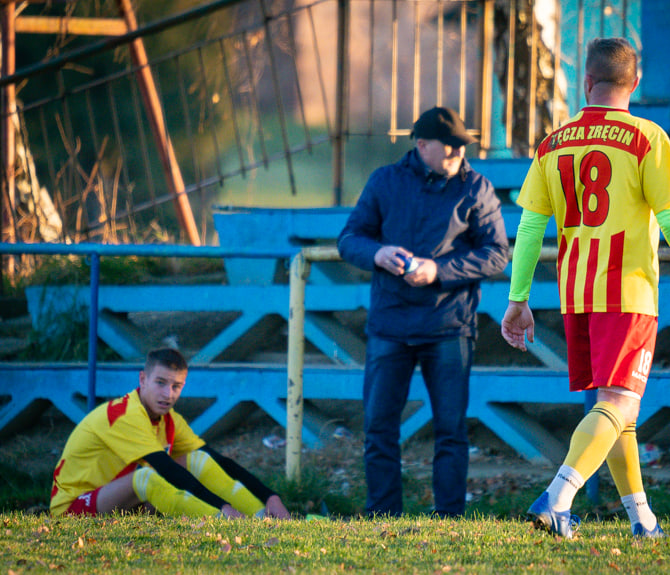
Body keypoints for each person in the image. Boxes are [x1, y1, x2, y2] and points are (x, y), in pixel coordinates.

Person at [501, 37, 670, 539]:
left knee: (615, 409)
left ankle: (641, 518)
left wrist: (517, 299)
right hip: (628, 294)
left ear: (586, 82)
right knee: (620, 402)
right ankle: (558, 497)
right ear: (635, 84)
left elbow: (528, 228)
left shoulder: (553, 143)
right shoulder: (647, 137)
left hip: (577, 293)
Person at [337, 106, 509, 517]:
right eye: (449, 149)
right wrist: (378, 253)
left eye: (461, 149)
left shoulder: (477, 187)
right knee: (379, 428)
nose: (457, 157)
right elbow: (349, 239)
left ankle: (449, 518)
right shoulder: (385, 181)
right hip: (390, 327)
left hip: (449, 327)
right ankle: (382, 516)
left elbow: (498, 254)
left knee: (450, 430)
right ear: (421, 145)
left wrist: (439, 271)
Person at [50, 347, 291, 519]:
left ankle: (264, 520)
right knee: (148, 477)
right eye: (161, 383)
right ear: (142, 379)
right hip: (73, 509)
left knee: (198, 459)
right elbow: (166, 469)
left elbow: (219, 461)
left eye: (176, 386)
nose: (168, 394)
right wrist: (222, 507)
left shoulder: (170, 419)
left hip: (122, 504)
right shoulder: (125, 414)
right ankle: (226, 522)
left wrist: (270, 497)